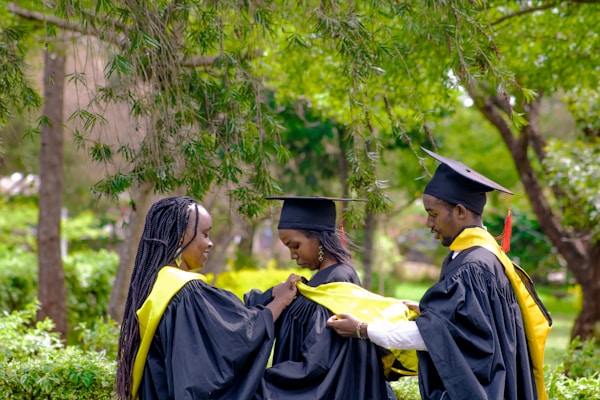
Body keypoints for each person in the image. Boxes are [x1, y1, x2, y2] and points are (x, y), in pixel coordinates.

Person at [327, 149, 552, 400]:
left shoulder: (472, 267)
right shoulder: (479, 257)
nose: (428, 224)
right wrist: (431, 314)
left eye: (433, 214)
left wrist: (362, 329)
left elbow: (433, 337)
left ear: (459, 211)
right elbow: (470, 327)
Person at [115, 196, 299, 400]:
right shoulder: (185, 292)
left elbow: (223, 316)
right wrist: (280, 302)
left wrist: (269, 295)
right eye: (204, 234)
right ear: (180, 237)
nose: (210, 243)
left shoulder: (158, 283)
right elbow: (234, 336)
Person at [244, 196, 397, 399]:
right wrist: (276, 293)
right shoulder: (317, 282)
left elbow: (317, 363)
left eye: (295, 246)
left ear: (318, 238)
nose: (292, 255)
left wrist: (258, 381)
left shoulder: (337, 281)